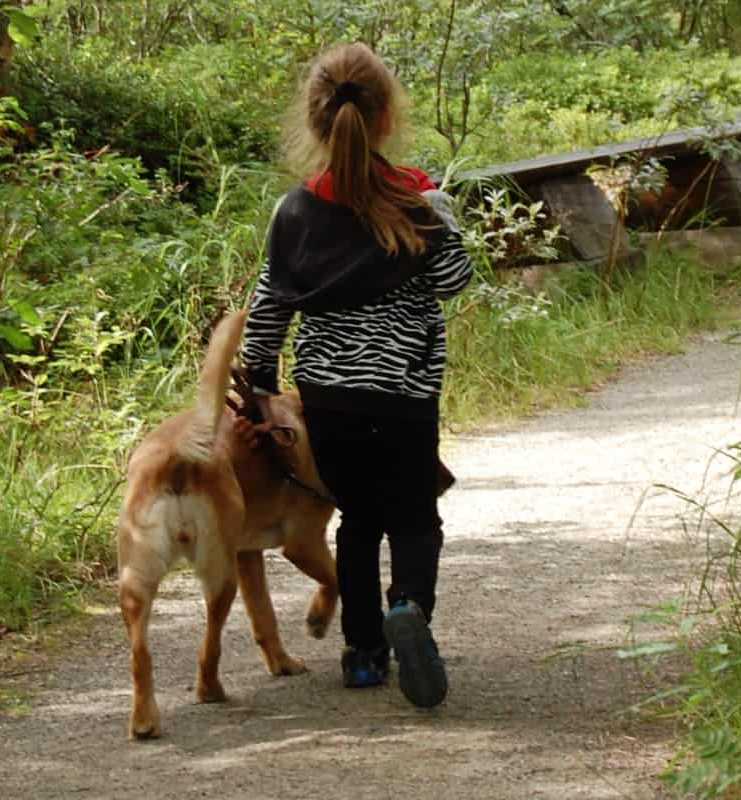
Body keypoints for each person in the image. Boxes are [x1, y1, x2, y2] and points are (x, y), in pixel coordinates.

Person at [235, 42, 472, 709]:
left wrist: (258, 393)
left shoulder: (294, 212)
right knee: (415, 517)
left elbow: (267, 310)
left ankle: (363, 656)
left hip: (328, 401)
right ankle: (410, 611)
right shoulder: (417, 197)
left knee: (359, 521)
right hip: (404, 396)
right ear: (387, 118)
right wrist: (441, 210)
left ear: (314, 122)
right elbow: (453, 280)